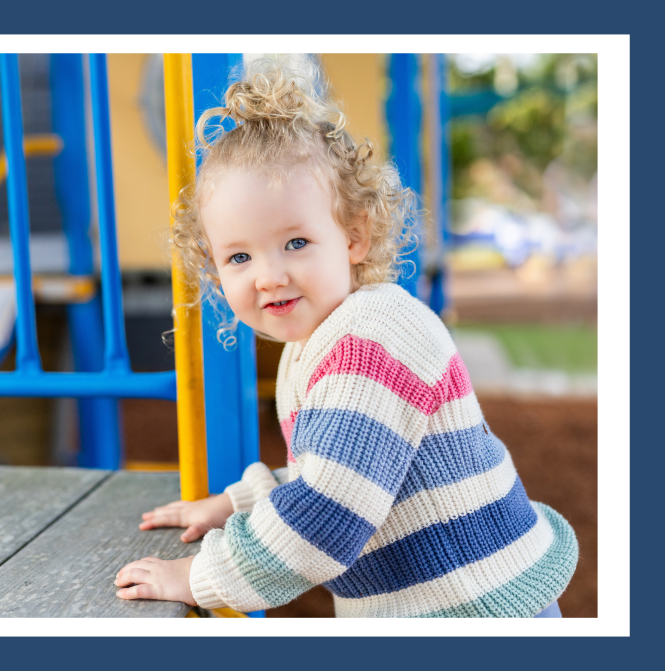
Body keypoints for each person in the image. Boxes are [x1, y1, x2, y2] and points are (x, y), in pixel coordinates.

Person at [114, 58, 578, 618]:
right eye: (239, 256)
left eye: (296, 243)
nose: (268, 275)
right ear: (213, 268)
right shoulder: (319, 342)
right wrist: (237, 504)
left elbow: (326, 514)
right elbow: (340, 465)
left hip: (478, 610)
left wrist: (199, 576)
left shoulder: (372, 341)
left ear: (354, 236)